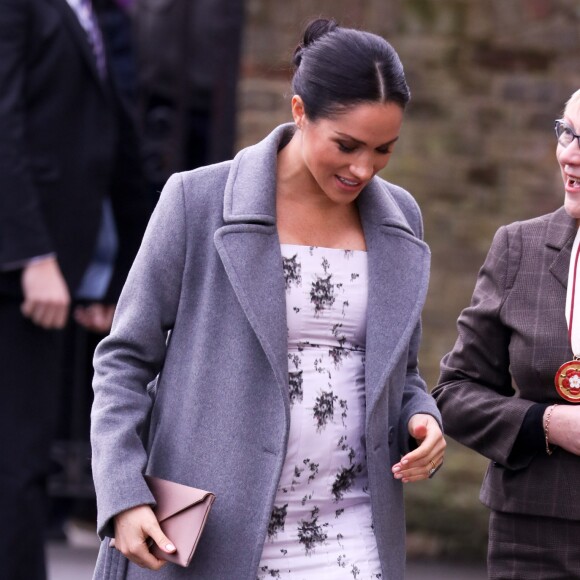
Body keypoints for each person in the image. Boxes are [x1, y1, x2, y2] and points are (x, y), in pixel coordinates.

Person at [91, 18, 446, 580]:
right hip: (215, 528)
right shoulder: (196, 200)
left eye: (384, 150)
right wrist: (123, 493)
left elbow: (400, 374)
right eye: (347, 145)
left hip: (354, 527)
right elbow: (123, 361)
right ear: (300, 111)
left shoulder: (400, 218)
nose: (363, 168)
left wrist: (421, 419)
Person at [0, 1, 150, 578]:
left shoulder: (93, 14)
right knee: (16, 464)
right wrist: (31, 254)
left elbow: (102, 144)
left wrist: (109, 277)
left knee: (24, 458)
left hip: (63, 269)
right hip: (19, 273)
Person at [433, 88, 580, 579]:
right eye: (567, 133)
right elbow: (453, 394)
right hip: (536, 536)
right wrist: (548, 422)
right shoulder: (519, 247)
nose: (570, 155)